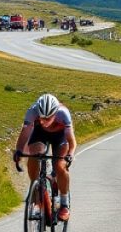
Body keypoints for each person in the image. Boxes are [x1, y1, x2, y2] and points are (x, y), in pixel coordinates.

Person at [13, 93, 78, 221]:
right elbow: (25, 133)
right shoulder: (32, 111)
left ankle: (64, 204)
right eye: (42, 117)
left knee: (60, 166)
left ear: (55, 113)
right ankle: (36, 191)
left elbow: (71, 140)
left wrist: (70, 154)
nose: (44, 121)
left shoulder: (63, 113)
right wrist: (19, 151)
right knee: (34, 155)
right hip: (40, 133)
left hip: (60, 136)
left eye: (48, 118)